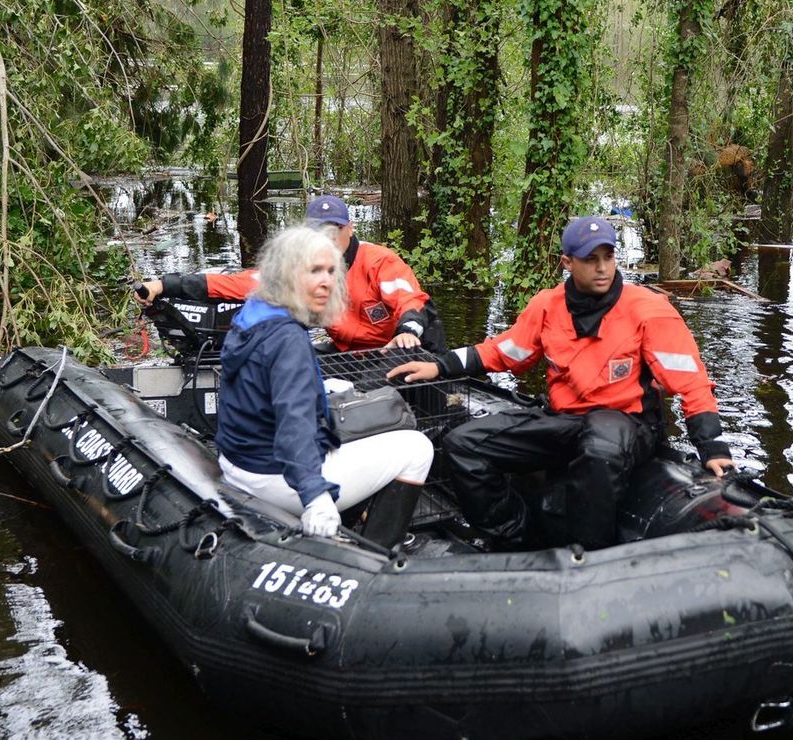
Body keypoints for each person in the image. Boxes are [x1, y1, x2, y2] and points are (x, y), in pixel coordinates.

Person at [387, 216, 735, 551]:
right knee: (463, 444)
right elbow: (504, 351)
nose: (602, 268)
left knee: (601, 445)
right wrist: (441, 367)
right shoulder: (547, 306)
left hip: (628, 422)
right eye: (590, 259)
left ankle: (589, 554)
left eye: (608, 257)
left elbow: (690, 380)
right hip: (567, 419)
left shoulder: (647, 309)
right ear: (567, 262)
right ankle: (517, 537)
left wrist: (713, 448)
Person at [214, 225, 432, 546]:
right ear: (286, 274)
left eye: (331, 271)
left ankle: (355, 516)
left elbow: (266, 390)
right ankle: (377, 551)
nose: (327, 282)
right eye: (315, 270)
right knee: (417, 448)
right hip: (272, 477)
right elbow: (294, 423)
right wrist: (315, 497)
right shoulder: (288, 340)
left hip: (237, 461)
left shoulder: (256, 312)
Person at [135, 194, 447, 354]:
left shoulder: (379, 261)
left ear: (350, 229)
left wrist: (408, 331)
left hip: (403, 346)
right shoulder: (302, 267)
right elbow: (240, 283)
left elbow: (411, 300)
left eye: (334, 230)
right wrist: (164, 285)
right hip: (350, 353)